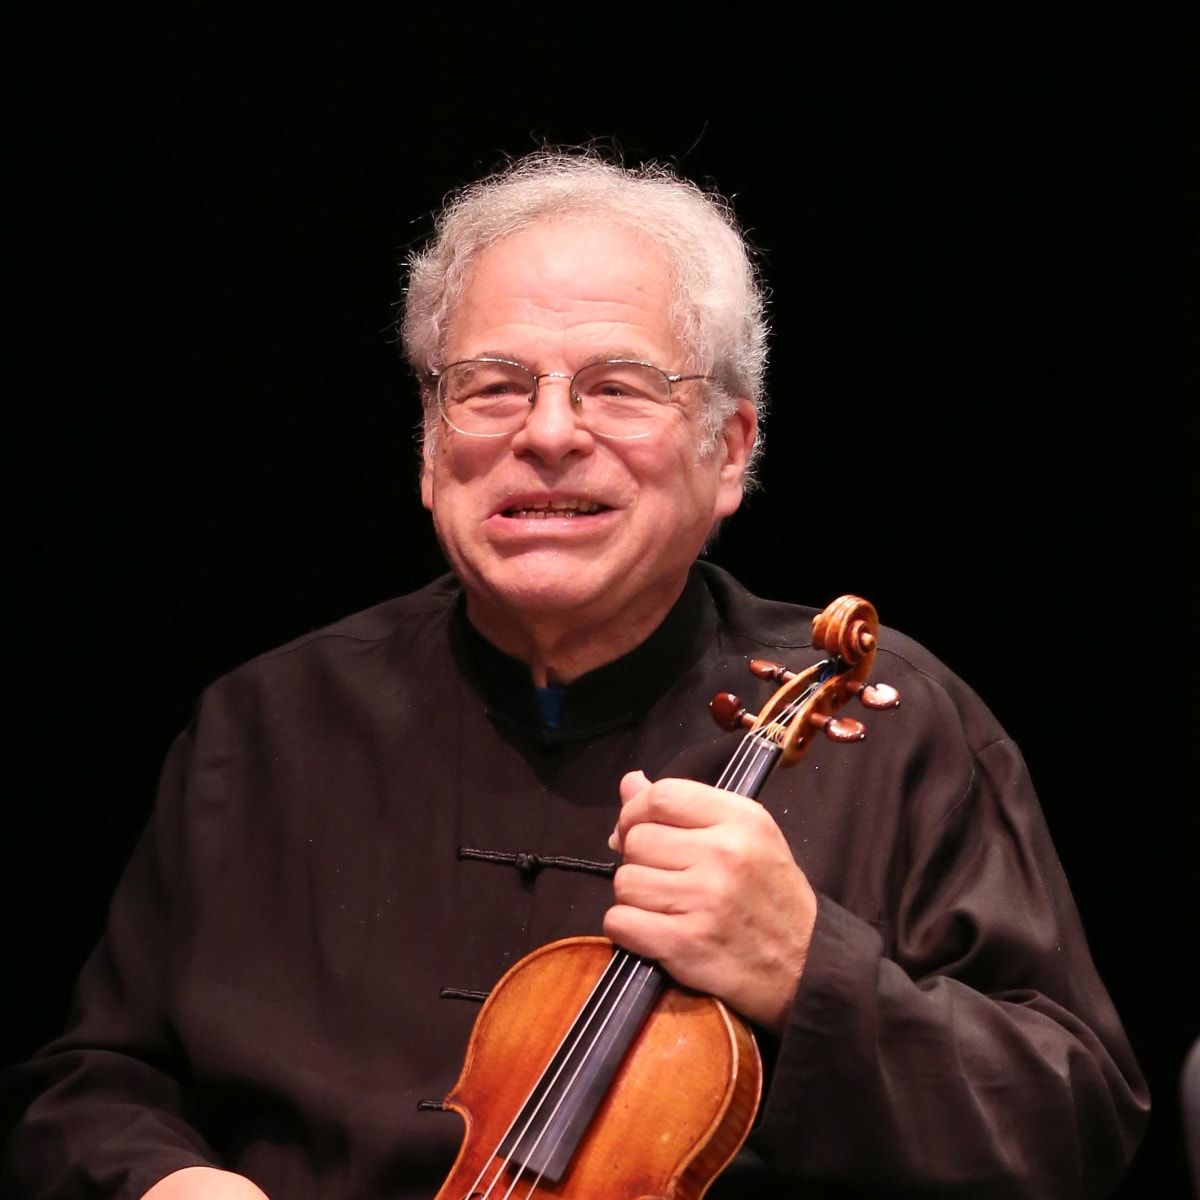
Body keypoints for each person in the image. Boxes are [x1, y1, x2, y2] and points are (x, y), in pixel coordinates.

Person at [2, 151, 1148, 1199]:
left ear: (731, 450)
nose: (548, 433)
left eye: (617, 385)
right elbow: (91, 1086)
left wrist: (813, 973)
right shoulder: (260, 727)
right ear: (429, 446)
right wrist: (158, 1183)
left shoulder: (895, 725)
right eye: (493, 385)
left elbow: (1078, 1129)